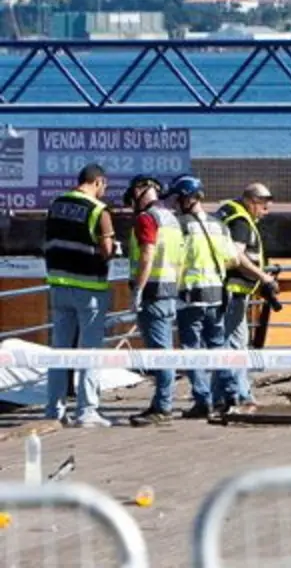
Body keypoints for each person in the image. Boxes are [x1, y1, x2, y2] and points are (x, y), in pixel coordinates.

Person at [43, 163, 115, 427]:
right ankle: (87, 410)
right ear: (98, 182)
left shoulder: (56, 204)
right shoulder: (98, 210)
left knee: (59, 351)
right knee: (90, 351)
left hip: (59, 285)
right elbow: (107, 249)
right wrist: (113, 249)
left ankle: (54, 409)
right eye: (103, 187)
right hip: (89, 289)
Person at [167, 175, 241, 419]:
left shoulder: (179, 225)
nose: (174, 204)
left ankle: (203, 400)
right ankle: (231, 395)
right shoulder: (218, 224)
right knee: (219, 346)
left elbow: (172, 259)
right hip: (217, 296)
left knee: (192, 349)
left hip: (190, 296)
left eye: (177, 198)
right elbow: (233, 259)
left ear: (187, 198)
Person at [122, 174, 184, 427]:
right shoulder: (171, 219)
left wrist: (138, 288)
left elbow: (147, 254)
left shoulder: (146, 218)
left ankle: (162, 406)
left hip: (153, 293)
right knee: (165, 349)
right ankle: (163, 402)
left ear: (140, 191)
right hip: (169, 291)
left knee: (160, 353)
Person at [215, 182, 277, 409]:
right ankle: (239, 395)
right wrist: (264, 277)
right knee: (236, 345)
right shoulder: (240, 222)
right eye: (264, 207)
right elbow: (237, 257)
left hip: (227, 291)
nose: (266, 212)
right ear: (252, 202)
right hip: (233, 292)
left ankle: (225, 394)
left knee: (226, 343)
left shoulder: (228, 213)